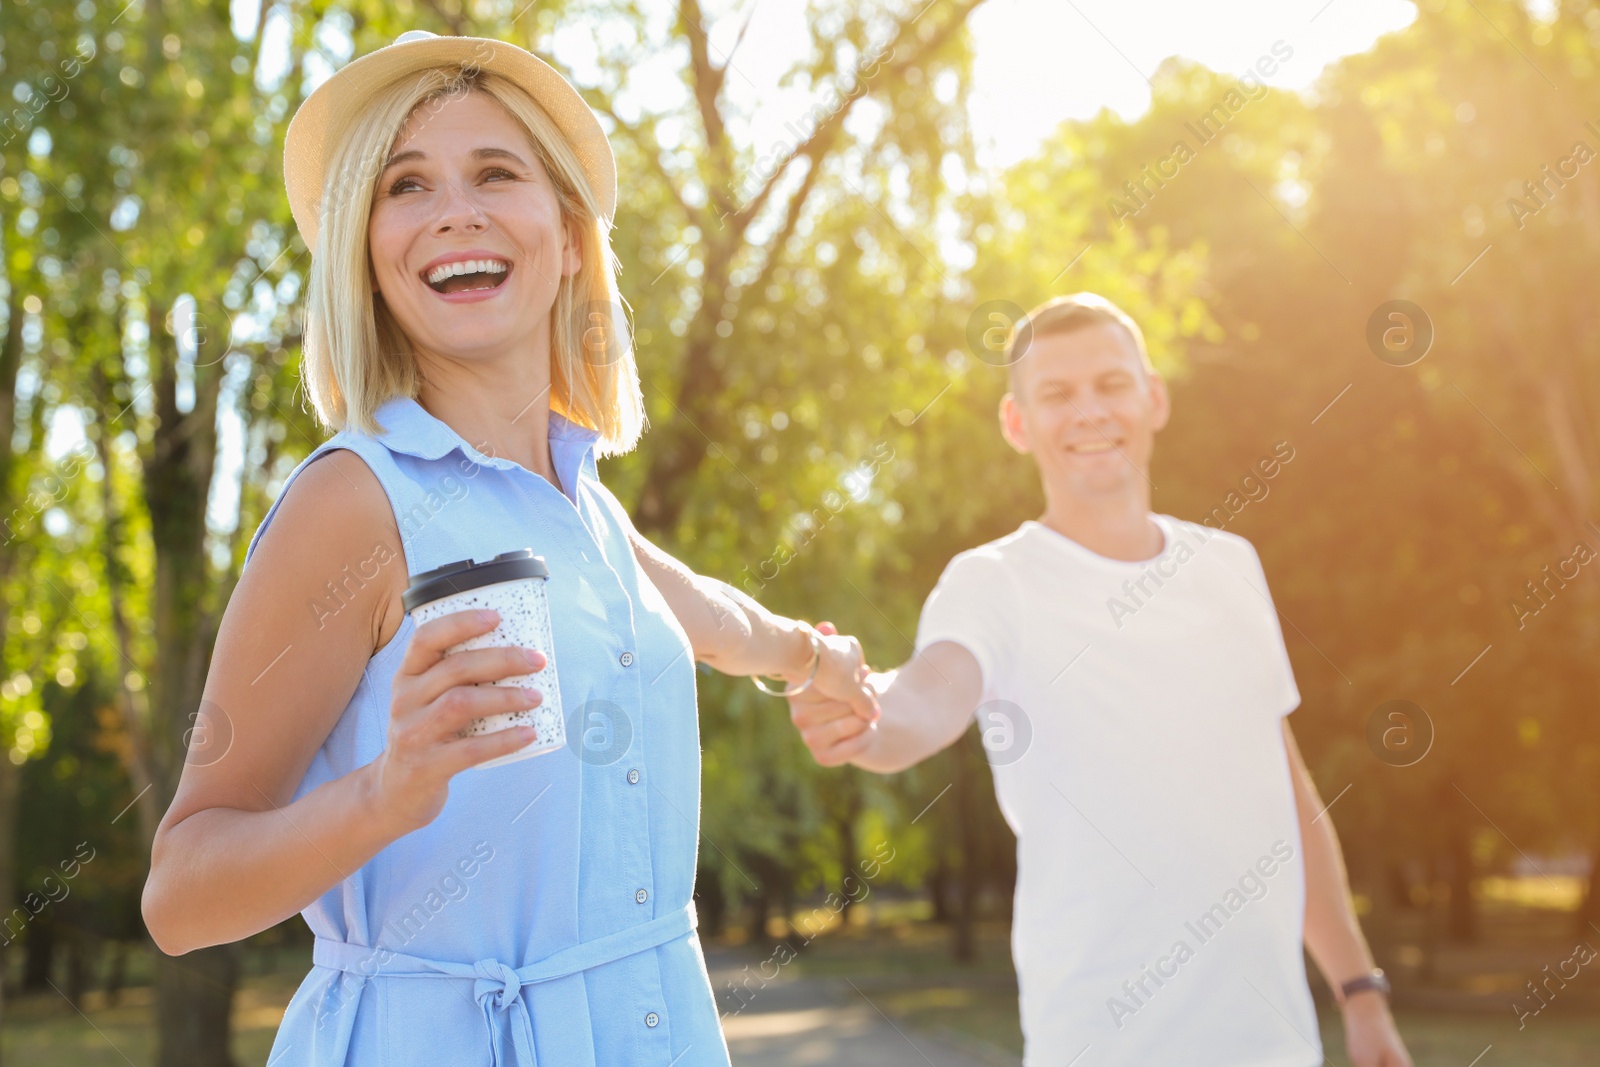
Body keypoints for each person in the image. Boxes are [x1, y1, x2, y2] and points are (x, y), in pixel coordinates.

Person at [139, 31, 876, 1067]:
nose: (455, 210)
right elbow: (180, 895)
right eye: (406, 185)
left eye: (496, 171)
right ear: (367, 249)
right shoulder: (353, 502)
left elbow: (711, 617)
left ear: (571, 235)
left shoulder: (582, 508)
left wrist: (816, 658)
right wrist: (381, 794)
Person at [788, 294, 1414, 1066]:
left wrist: (1360, 989)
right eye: (1056, 393)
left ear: (1154, 399)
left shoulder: (1230, 567)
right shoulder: (993, 582)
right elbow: (929, 690)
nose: (1088, 411)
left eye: (1110, 384)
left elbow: (1286, 794)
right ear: (1017, 423)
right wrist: (867, 713)